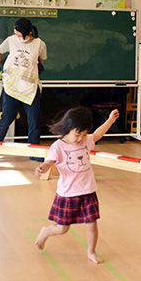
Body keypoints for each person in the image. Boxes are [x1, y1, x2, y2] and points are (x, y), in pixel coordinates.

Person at [34, 106, 119, 264]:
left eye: (84, 134)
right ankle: (45, 232)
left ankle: (91, 252)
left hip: (88, 191)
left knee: (92, 224)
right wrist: (42, 168)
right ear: (67, 128)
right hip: (68, 194)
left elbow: (98, 134)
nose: (80, 138)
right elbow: (48, 162)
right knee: (62, 229)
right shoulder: (58, 146)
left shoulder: (86, 141)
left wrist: (109, 120)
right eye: (77, 134)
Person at [0, 17, 47, 161]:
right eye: (16, 34)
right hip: (12, 86)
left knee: (34, 121)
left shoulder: (39, 44)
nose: (17, 37)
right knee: (6, 118)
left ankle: (34, 152)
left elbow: (41, 60)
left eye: (19, 35)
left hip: (30, 87)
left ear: (28, 33)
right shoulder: (11, 40)